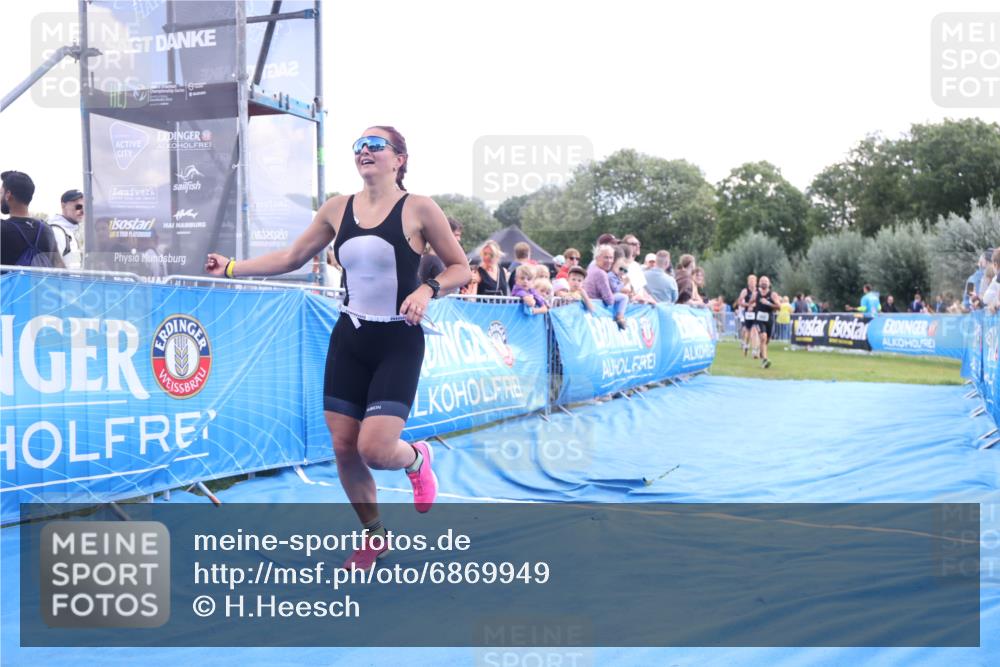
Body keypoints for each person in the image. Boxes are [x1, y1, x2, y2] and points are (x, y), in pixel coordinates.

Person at [204, 126, 469, 569]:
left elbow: (461, 266)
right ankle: (373, 535)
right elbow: (290, 257)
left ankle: (416, 457)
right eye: (358, 146)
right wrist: (232, 266)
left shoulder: (420, 208)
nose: (364, 151)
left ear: (399, 159)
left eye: (375, 145)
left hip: (398, 339)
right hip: (350, 337)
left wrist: (428, 290)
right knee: (344, 446)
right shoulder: (336, 208)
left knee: (376, 449)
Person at [1, 170, 64, 268]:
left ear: (8, 195)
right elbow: (60, 267)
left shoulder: (3, 228)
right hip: (39, 283)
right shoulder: (46, 229)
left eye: (1, 193)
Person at [584, 243, 628, 329]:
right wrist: (622, 285)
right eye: (606, 257)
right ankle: (620, 317)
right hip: (595, 306)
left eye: (611, 258)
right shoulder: (601, 273)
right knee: (624, 297)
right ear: (597, 258)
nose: (609, 261)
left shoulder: (592, 268)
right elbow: (609, 300)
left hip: (591, 305)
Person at [417, 216, 462, 294]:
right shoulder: (430, 259)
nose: (459, 239)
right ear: (447, 234)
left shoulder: (440, 259)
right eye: (456, 235)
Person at [47, 189, 85, 269]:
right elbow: (53, 267)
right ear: (63, 206)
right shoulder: (57, 231)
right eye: (78, 206)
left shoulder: (74, 230)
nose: (82, 211)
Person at [753, 276, 781, 369]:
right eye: (762, 281)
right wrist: (749, 307)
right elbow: (749, 302)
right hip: (759, 319)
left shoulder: (773, 294)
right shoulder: (756, 294)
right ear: (759, 283)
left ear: (769, 284)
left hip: (769, 319)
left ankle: (762, 352)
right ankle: (765, 360)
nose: (764, 283)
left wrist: (768, 303)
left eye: (766, 281)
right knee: (763, 338)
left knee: (767, 340)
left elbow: (779, 307)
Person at [736, 274, 758, 358]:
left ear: (756, 282)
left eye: (753, 281)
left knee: (755, 330)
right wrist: (748, 305)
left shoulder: (758, 291)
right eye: (750, 281)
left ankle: (754, 351)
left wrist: (755, 305)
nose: (752, 283)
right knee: (748, 331)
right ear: (748, 282)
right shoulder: (745, 291)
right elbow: (739, 301)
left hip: (756, 312)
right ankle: (746, 345)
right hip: (748, 313)